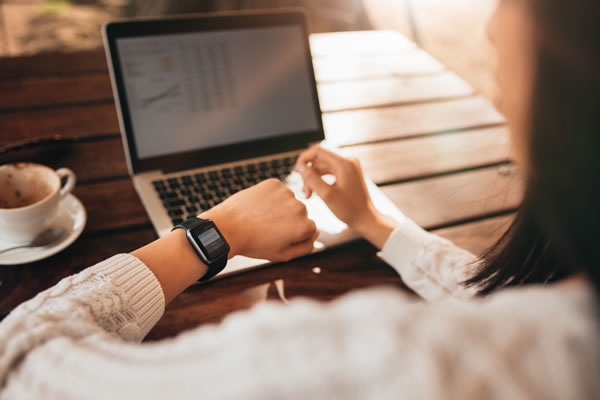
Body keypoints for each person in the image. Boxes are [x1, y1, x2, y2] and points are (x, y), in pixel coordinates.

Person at [1, 0, 599, 398]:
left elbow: (22, 363)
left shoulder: (385, 362)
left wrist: (213, 232)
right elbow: (504, 301)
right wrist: (373, 221)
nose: (493, 26)